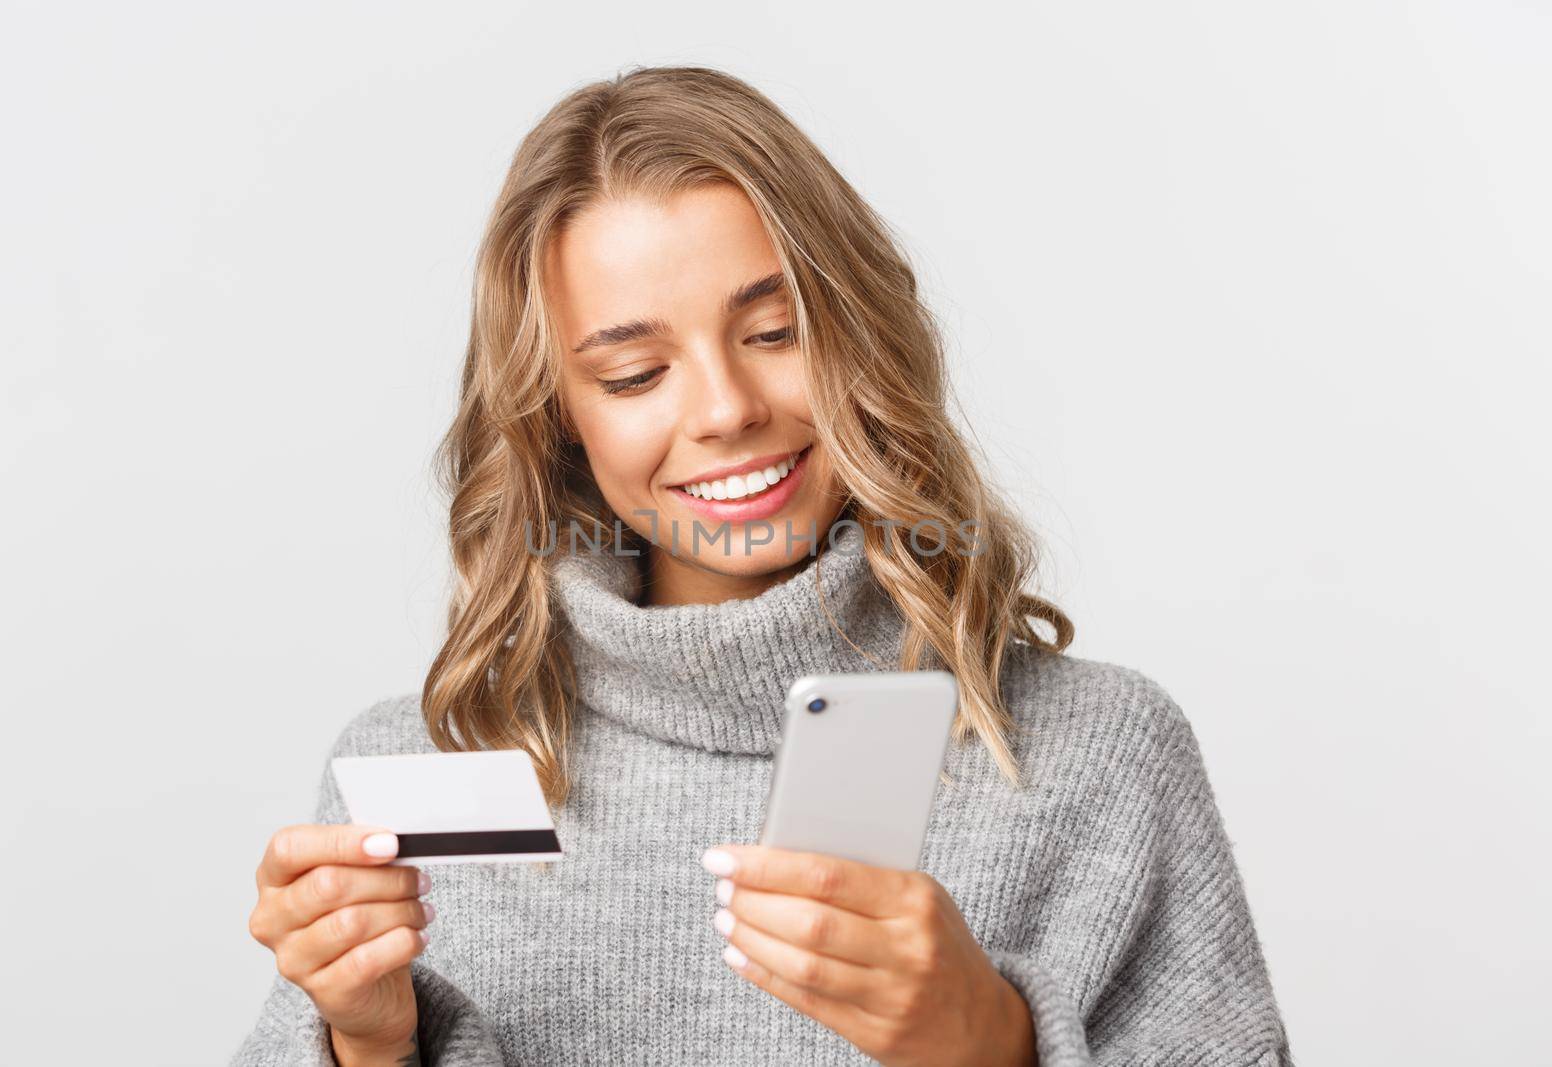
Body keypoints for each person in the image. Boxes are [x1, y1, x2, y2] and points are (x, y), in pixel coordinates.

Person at [232, 65, 1291, 1067]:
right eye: (636, 370)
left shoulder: (1094, 754)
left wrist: (990, 1039)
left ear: (860, 337)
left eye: (776, 330)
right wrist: (370, 1042)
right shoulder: (419, 781)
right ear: (558, 416)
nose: (728, 408)